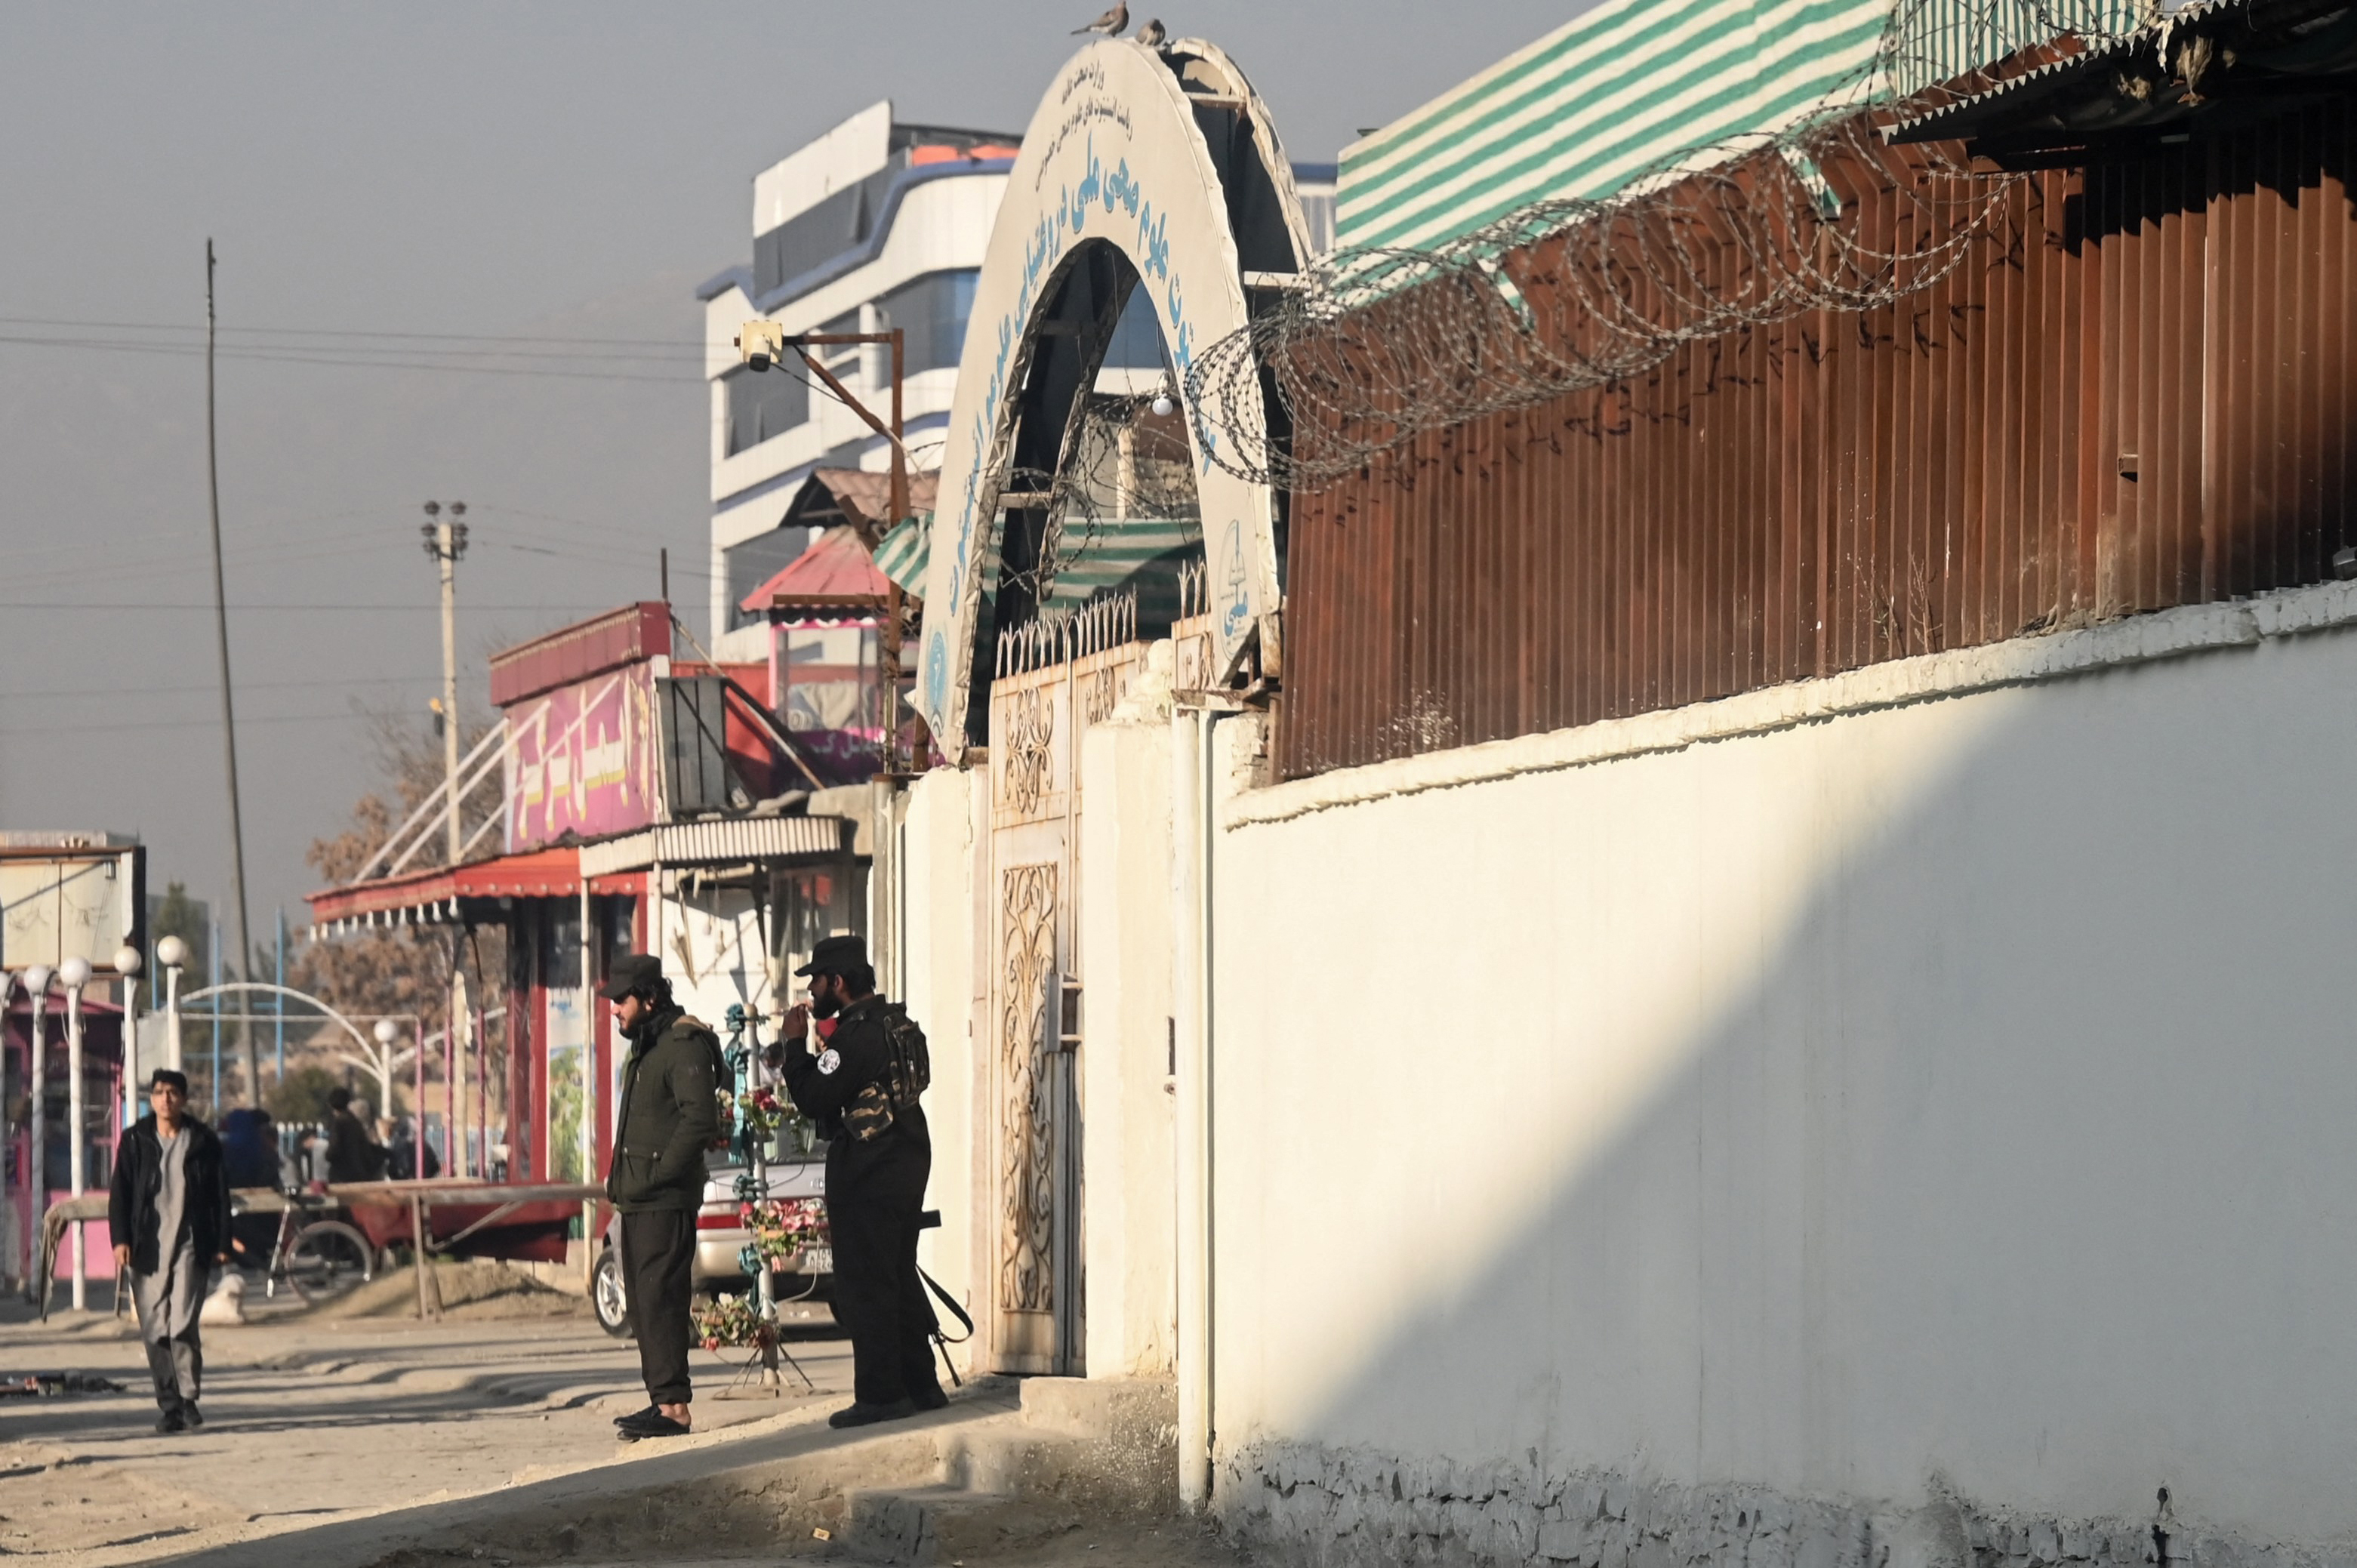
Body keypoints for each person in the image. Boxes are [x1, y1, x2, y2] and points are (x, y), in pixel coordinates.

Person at [779, 934, 946, 1428]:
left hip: (870, 1171)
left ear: (838, 982)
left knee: (865, 1285)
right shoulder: (898, 1023)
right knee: (897, 1275)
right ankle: (921, 1384)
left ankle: (879, 1394)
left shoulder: (856, 1035)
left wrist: (794, 1043)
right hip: (908, 1160)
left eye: (816, 981)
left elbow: (812, 1095)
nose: (811, 992)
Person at [601, 953, 722, 1443]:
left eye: (622, 1000)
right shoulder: (649, 1045)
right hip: (638, 1197)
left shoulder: (682, 1044)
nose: (615, 1010)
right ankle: (661, 1400)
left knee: (662, 1298)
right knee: (644, 1301)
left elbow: (700, 1119)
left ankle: (674, 1407)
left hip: (664, 1198)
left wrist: (660, 1174)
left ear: (650, 998)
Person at [108, 1069, 232, 1433]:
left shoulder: (202, 1141)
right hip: (147, 1248)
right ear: (151, 1098)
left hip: (191, 1244)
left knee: (182, 1324)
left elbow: (220, 1196)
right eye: (160, 1092)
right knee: (155, 1329)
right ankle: (169, 1405)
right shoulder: (135, 1141)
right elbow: (121, 1194)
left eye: (173, 1093)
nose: (166, 1099)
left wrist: (223, 1242)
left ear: (184, 1098)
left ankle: (189, 1397)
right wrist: (120, 1240)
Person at [324, 1086, 386, 1183]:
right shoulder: (354, 1122)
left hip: (342, 1175)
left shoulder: (339, 1123)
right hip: (358, 1173)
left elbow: (334, 1149)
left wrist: (327, 1156)